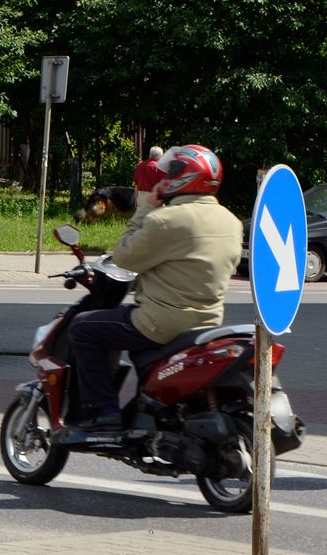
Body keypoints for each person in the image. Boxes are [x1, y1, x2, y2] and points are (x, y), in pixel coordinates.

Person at [68, 145, 242, 430]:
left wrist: (146, 208)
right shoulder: (231, 221)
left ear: (182, 178)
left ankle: (103, 412)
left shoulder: (166, 220)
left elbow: (124, 255)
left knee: (83, 328)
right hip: (208, 323)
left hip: (159, 323)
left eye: (168, 175)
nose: (162, 180)